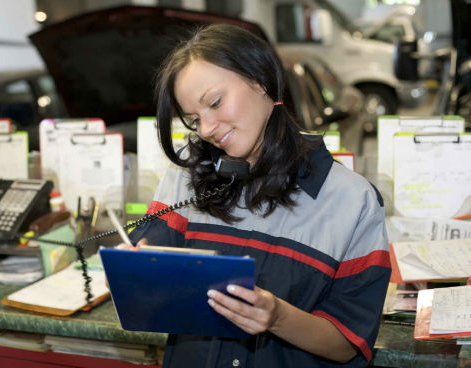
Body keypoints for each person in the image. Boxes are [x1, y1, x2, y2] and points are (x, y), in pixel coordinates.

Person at [123, 23, 391, 367]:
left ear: (260, 79)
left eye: (215, 103)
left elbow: (347, 343)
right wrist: (134, 269)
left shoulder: (352, 201)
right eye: (193, 119)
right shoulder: (185, 179)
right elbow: (151, 280)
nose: (206, 129)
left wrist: (278, 317)